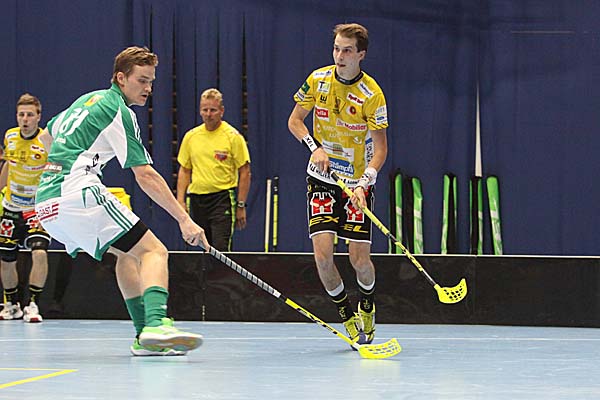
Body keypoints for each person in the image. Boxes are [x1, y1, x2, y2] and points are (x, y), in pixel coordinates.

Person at [34, 46, 209, 356]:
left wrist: (66, 163)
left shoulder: (85, 101)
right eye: (142, 80)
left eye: (151, 81)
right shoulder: (118, 110)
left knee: (128, 254)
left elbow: (46, 137)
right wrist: (185, 219)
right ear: (120, 78)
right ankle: (156, 323)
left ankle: (144, 338)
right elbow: (145, 175)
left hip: (47, 204)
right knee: (155, 250)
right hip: (77, 192)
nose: (148, 88)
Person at [287, 23, 388, 345]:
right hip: (322, 177)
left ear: (361, 54)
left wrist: (364, 183)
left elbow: (381, 150)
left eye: (347, 50)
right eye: (336, 48)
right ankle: (346, 314)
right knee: (323, 256)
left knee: (359, 260)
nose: (339, 56)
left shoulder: (372, 94)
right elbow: (295, 121)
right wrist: (313, 147)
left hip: (357, 183)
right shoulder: (317, 80)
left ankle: (367, 305)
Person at [176, 88, 251, 251]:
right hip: (197, 199)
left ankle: (222, 269)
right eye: (205, 110)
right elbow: (185, 170)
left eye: (213, 110)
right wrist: (180, 201)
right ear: (200, 111)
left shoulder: (232, 136)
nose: (208, 114)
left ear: (221, 111)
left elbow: (245, 171)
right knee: (199, 246)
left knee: (220, 246)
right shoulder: (191, 137)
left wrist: (241, 205)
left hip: (222, 198)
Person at [0, 94, 50, 323]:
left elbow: (57, 170)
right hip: (11, 206)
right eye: (21, 115)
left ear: (38, 117)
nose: (25, 119)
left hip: (36, 209)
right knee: (6, 257)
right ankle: (11, 305)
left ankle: (33, 305)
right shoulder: (10, 136)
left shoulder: (46, 140)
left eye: (30, 115)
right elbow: (8, 167)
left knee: (39, 252)